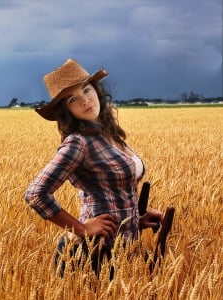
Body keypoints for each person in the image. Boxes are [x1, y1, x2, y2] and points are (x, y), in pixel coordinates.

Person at [24, 58, 163, 277]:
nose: (85, 100)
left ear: (97, 90)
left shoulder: (109, 135)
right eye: (72, 99)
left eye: (87, 90)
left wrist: (137, 218)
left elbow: (114, 192)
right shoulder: (78, 143)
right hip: (91, 253)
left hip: (123, 250)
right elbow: (35, 194)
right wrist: (82, 229)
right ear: (66, 110)